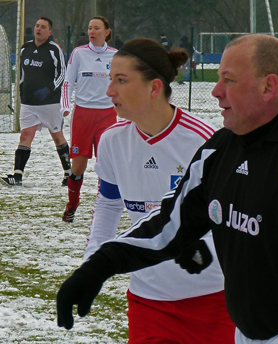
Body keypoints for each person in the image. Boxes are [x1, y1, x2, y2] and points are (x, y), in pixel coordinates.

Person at [57, 34, 278, 344]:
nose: (215, 91)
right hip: (247, 332)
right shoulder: (219, 150)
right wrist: (98, 266)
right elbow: (168, 224)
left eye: (228, 80)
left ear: (268, 87)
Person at [82, 37, 234, 343]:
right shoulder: (112, 141)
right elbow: (109, 203)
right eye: (110, 80)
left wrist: (199, 245)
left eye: (121, 81)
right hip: (148, 300)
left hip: (213, 299)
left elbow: (229, 215)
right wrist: (93, 261)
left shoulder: (203, 141)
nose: (109, 91)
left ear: (153, 88)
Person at [0, 17, 70, 187]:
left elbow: (62, 74)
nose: (39, 29)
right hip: (29, 103)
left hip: (50, 103)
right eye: (37, 25)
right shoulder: (26, 48)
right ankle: (17, 176)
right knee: (25, 136)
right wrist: (21, 90)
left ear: (49, 32)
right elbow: (22, 74)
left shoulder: (54, 50)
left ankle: (69, 174)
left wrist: (47, 90)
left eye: (43, 27)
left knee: (57, 137)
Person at [61, 16, 118, 223]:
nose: (92, 31)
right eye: (89, 28)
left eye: (96, 28)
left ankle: (101, 207)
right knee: (78, 167)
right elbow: (68, 81)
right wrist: (65, 106)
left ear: (107, 32)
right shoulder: (79, 53)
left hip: (107, 115)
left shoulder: (116, 55)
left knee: (106, 164)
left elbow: (123, 84)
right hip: (83, 114)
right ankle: (72, 205)